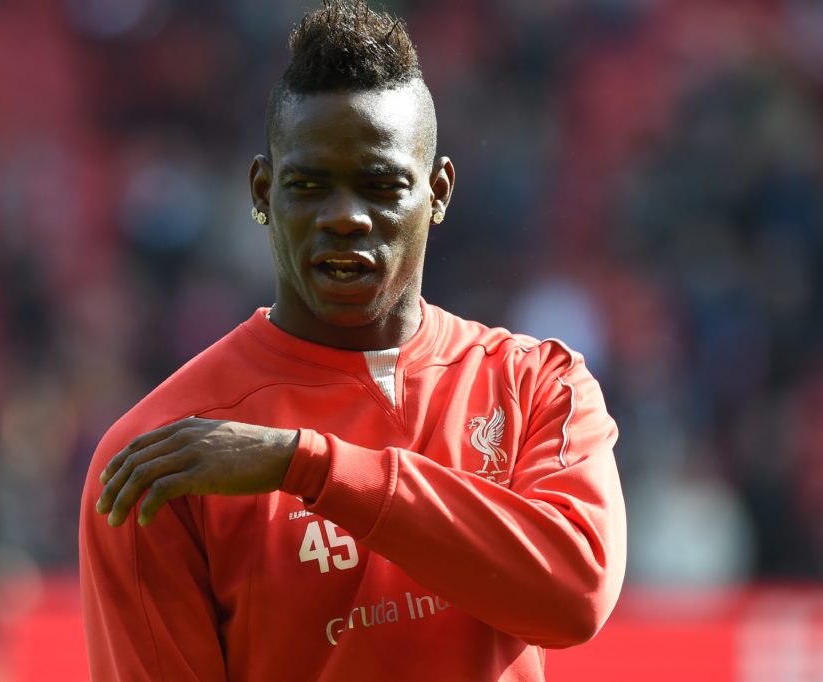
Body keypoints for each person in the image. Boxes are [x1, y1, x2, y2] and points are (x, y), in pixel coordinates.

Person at [79, 2, 626, 680]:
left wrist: (306, 466)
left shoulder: (534, 384)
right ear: (262, 191)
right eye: (309, 186)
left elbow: (574, 595)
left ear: (439, 191)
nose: (344, 217)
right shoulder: (162, 458)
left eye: (380, 185)